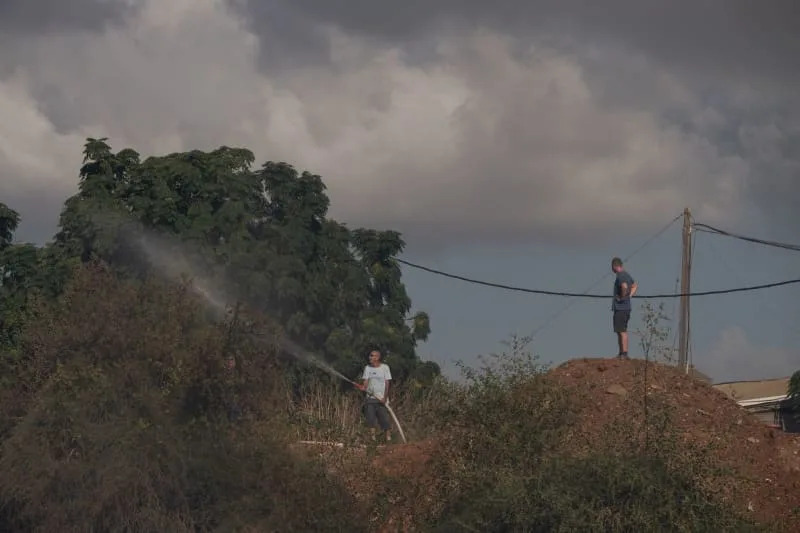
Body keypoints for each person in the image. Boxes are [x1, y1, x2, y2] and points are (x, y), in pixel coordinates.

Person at [354, 349, 393, 442]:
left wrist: (384, 397)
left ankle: (388, 439)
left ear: (378, 357)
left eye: (372, 355)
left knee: (385, 420)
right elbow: (366, 382)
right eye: (370, 355)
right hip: (370, 398)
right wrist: (363, 387)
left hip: (381, 399)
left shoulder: (385, 367)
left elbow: (387, 383)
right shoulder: (367, 368)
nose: (370, 357)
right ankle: (373, 440)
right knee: (371, 420)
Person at [611, 257, 637, 359]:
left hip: (621, 308)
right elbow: (634, 285)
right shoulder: (626, 274)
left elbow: (625, 286)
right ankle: (621, 353)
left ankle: (624, 353)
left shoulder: (620, 276)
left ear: (614, 266)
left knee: (622, 331)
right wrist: (630, 295)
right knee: (620, 330)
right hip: (626, 307)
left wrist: (622, 297)